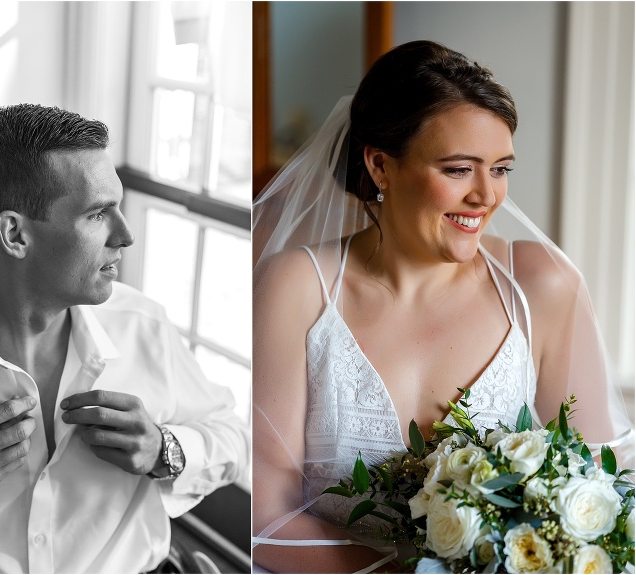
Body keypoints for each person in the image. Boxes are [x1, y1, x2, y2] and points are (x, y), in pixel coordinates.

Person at [251, 41, 633, 573]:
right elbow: (262, 518)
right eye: (458, 170)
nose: (486, 196)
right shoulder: (297, 287)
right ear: (380, 165)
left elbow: (601, 491)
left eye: (500, 169)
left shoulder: (542, 287)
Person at [0, 104, 250, 573]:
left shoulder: (142, 325)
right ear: (14, 234)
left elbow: (234, 436)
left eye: (120, 207)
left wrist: (163, 448)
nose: (125, 235)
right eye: (98, 214)